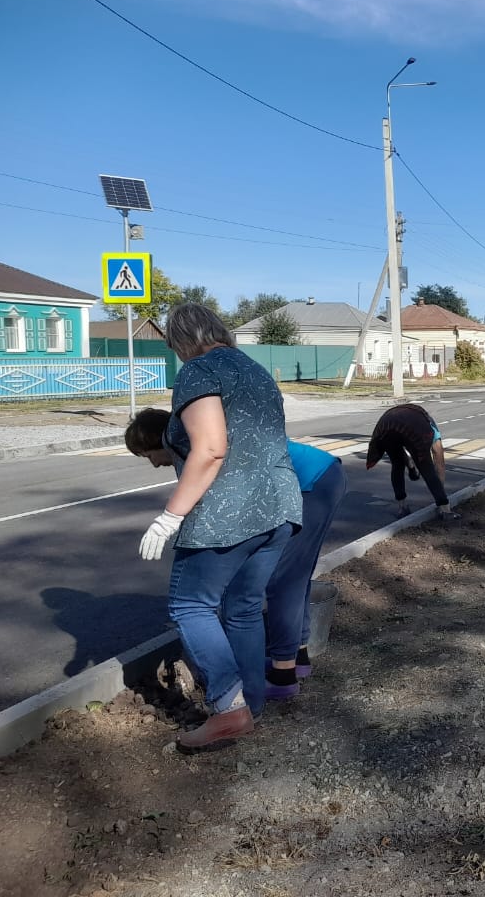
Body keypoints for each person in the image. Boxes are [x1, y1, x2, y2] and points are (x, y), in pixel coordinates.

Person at [137, 304, 302, 753]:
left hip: (229, 512)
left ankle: (229, 709)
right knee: (244, 608)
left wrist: (170, 516)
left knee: (190, 605)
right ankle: (253, 704)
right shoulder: (254, 369)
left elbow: (210, 449)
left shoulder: (199, 371)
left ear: (181, 340)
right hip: (280, 506)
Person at [126, 409, 347, 700]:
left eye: (148, 455)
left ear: (159, 441)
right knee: (295, 576)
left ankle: (284, 676)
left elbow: (211, 501)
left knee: (284, 581)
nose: (154, 464)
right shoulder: (196, 437)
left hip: (311, 483)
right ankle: (297, 657)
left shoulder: (196, 447)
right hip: (322, 475)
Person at [366, 402, 460, 521]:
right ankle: (445, 510)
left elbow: (399, 443)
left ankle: (402, 507)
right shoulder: (430, 427)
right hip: (409, 429)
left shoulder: (418, 417)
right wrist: (440, 491)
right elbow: (439, 459)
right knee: (426, 468)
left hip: (386, 425)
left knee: (397, 464)